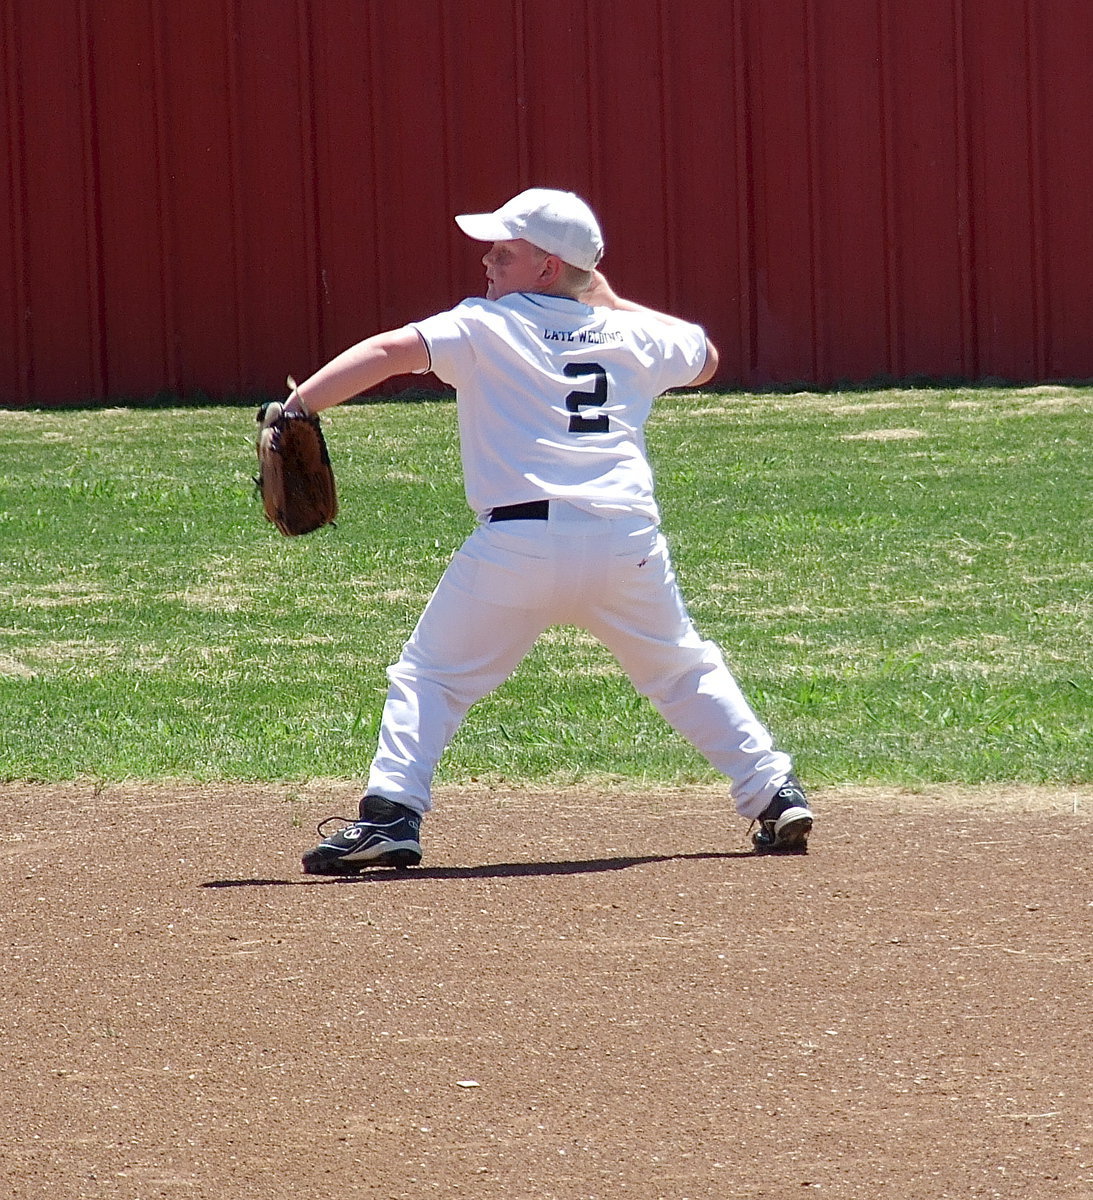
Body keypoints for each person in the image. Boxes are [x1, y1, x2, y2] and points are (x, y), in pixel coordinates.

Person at [286, 188, 813, 873]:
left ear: (544, 268)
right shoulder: (633, 333)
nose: (487, 259)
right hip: (625, 543)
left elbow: (390, 351)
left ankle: (390, 815)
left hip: (518, 545)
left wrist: (296, 407)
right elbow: (706, 357)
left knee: (432, 676)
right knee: (681, 670)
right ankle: (773, 791)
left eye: (505, 251)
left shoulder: (483, 324)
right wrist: (610, 303)